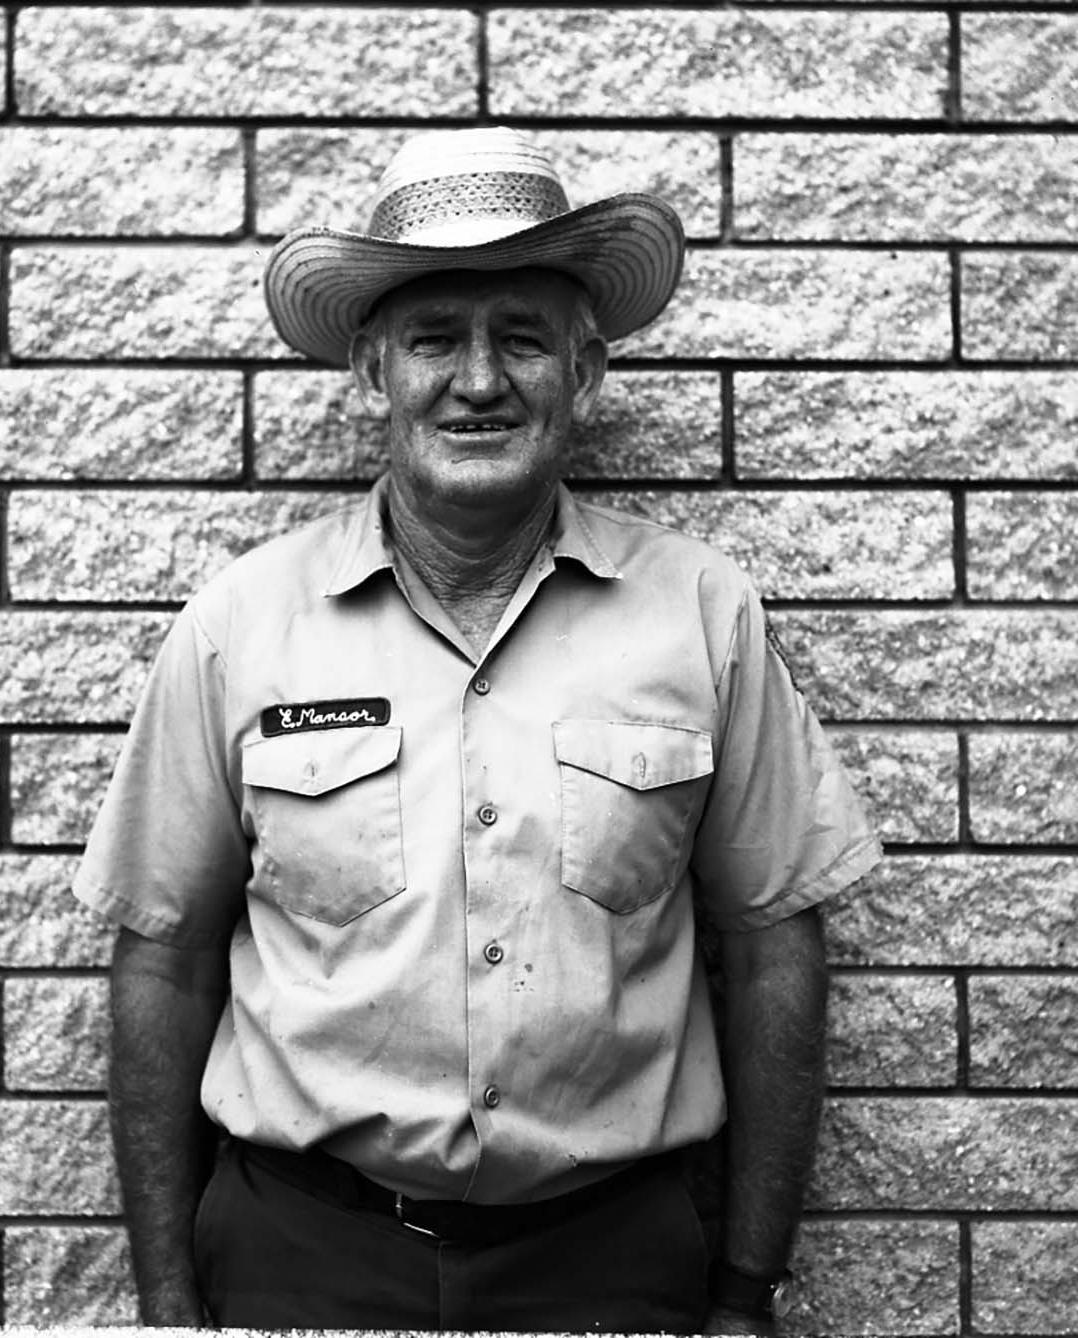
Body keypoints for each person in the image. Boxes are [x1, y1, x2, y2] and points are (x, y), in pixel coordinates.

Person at [74, 127, 882, 1334]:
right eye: (436, 338)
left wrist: (744, 1293)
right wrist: (167, 1303)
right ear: (372, 371)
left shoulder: (700, 614)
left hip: (611, 1269)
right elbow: (165, 961)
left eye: (523, 337)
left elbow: (774, 945)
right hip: (299, 1257)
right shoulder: (241, 627)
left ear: (585, 372)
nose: (481, 379)